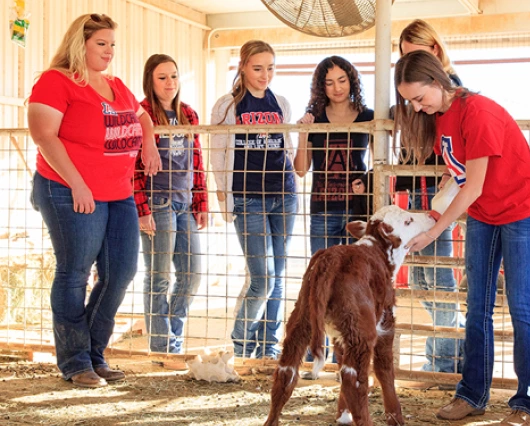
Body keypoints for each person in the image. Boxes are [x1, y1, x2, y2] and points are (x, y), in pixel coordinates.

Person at [396, 50, 530, 426]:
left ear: (436, 81)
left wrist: (435, 229)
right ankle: (472, 394)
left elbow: (474, 186)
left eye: (419, 97)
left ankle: (528, 404)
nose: (416, 108)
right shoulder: (439, 117)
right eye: (410, 101)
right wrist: (433, 211)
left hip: (521, 210)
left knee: (521, 305)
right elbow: (456, 176)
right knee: (476, 305)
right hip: (484, 215)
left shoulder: (477, 112)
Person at [28, 13, 160, 388]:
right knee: (74, 272)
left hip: (118, 192)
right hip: (67, 188)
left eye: (112, 44)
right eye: (101, 43)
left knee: (121, 272)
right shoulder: (56, 81)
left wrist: (148, 141)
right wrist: (77, 184)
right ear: (79, 44)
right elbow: (44, 135)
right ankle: (75, 361)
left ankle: (93, 353)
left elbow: (142, 116)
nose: (109, 51)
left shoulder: (115, 85)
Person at [354, 19, 466, 381]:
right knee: (421, 279)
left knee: (438, 279)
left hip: (440, 191)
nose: (410, 61)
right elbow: (406, 148)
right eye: (404, 56)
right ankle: (453, 352)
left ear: (435, 50)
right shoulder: (410, 98)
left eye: (416, 53)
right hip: (417, 191)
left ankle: (445, 361)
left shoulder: (454, 92)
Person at [210, 40, 297, 360]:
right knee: (263, 277)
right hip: (249, 198)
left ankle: (269, 346)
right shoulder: (227, 106)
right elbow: (218, 155)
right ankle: (241, 342)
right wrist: (225, 199)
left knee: (279, 275)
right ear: (243, 66)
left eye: (271, 68)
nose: (265, 75)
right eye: (258, 68)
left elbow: (286, 145)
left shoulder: (282, 103)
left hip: (283, 194)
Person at [295, 56, 373, 365]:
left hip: (357, 210)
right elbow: (301, 169)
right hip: (323, 209)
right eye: (329, 82)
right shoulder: (314, 118)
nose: (336, 87)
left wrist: (366, 184)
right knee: (322, 283)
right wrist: (302, 133)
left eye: (342, 80)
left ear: (352, 81)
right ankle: (319, 353)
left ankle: (351, 354)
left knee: (354, 285)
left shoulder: (368, 115)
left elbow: (378, 163)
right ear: (321, 86)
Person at [133, 54, 208, 370]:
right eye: (162, 77)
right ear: (150, 80)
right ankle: (162, 347)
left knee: (191, 275)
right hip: (157, 203)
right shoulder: (142, 114)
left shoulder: (188, 113)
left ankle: (172, 337)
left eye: (174, 76)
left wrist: (201, 202)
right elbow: (132, 167)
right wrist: (142, 209)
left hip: (184, 203)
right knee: (159, 276)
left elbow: (197, 160)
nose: (170, 83)